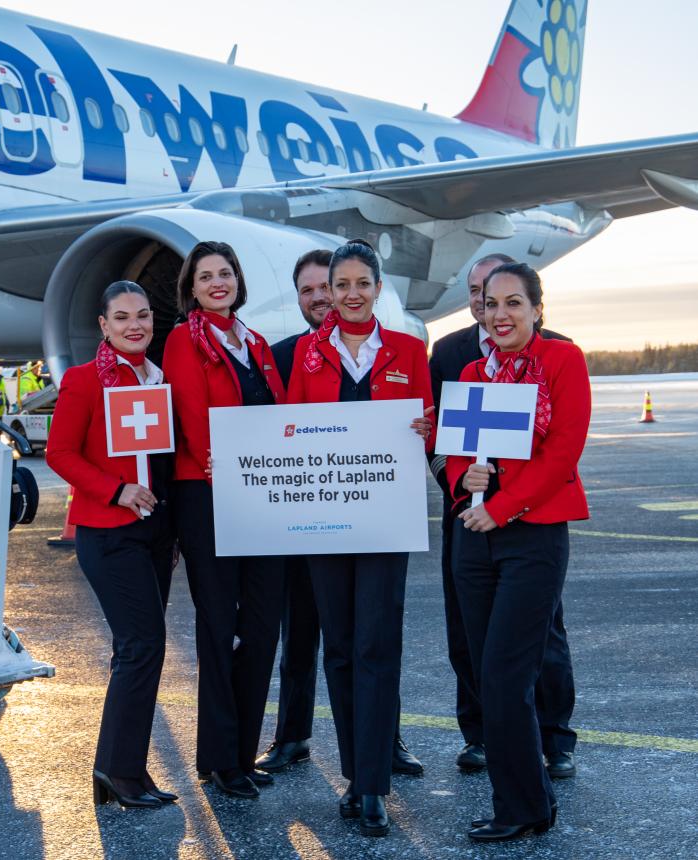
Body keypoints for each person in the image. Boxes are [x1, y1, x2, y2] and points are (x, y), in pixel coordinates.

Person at [287, 239, 434, 837]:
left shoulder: (408, 351)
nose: (350, 295)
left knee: (377, 645)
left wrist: (426, 428)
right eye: (340, 284)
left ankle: (373, 785)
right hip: (325, 520)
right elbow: (287, 427)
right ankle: (354, 775)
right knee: (342, 649)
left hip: (386, 520)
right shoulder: (306, 353)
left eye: (361, 284)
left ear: (378, 289)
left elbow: (429, 430)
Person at [446, 262, 591, 842]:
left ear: (536, 309)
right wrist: (464, 480)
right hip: (474, 536)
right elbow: (457, 453)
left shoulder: (561, 361)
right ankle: (528, 802)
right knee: (489, 677)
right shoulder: (473, 372)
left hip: (533, 537)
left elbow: (562, 452)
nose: (500, 314)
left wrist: (502, 506)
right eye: (490, 304)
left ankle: (522, 807)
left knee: (508, 676)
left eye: (513, 303)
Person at [162, 240, 286, 800]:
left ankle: (242, 753)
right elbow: (191, 415)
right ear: (191, 287)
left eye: (226, 273)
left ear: (238, 280)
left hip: (261, 494)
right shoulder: (183, 340)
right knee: (218, 627)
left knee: (261, 627)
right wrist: (227, 466)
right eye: (206, 275)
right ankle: (218, 758)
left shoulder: (254, 342)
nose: (218, 282)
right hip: (207, 493)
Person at [46, 280, 176, 809]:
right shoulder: (83, 380)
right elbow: (59, 453)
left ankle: (125, 768)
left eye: (142, 315)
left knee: (143, 649)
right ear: (103, 325)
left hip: (154, 532)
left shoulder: (159, 379)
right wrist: (116, 489)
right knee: (141, 645)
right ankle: (118, 771)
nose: (134, 325)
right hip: (107, 531)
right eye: (121, 317)